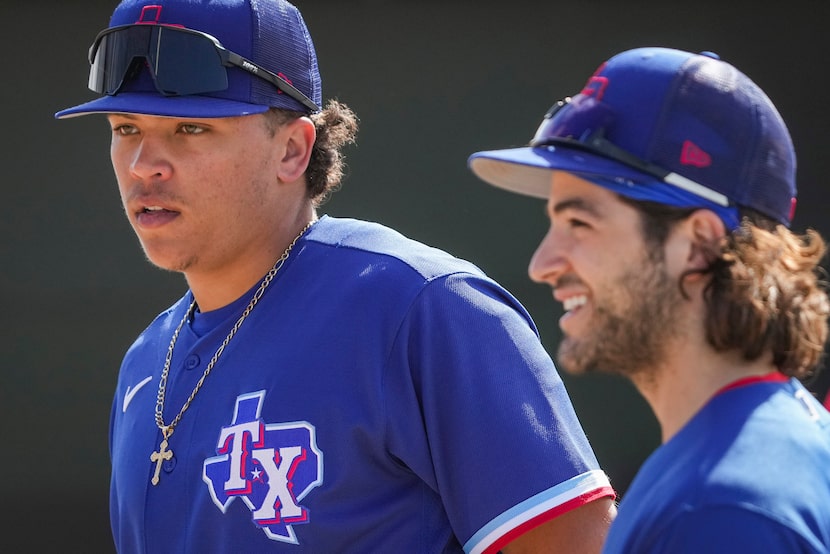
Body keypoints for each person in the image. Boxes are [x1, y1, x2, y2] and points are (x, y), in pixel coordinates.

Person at [55, 0, 617, 551]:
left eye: (191, 129)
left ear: (293, 151)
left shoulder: (419, 306)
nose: (143, 164)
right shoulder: (147, 359)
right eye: (125, 127)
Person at [468, 47, 830, 552]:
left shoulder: (723, 507)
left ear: (699, 242)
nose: (543, 264)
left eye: (580, 223)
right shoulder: (733, 456)